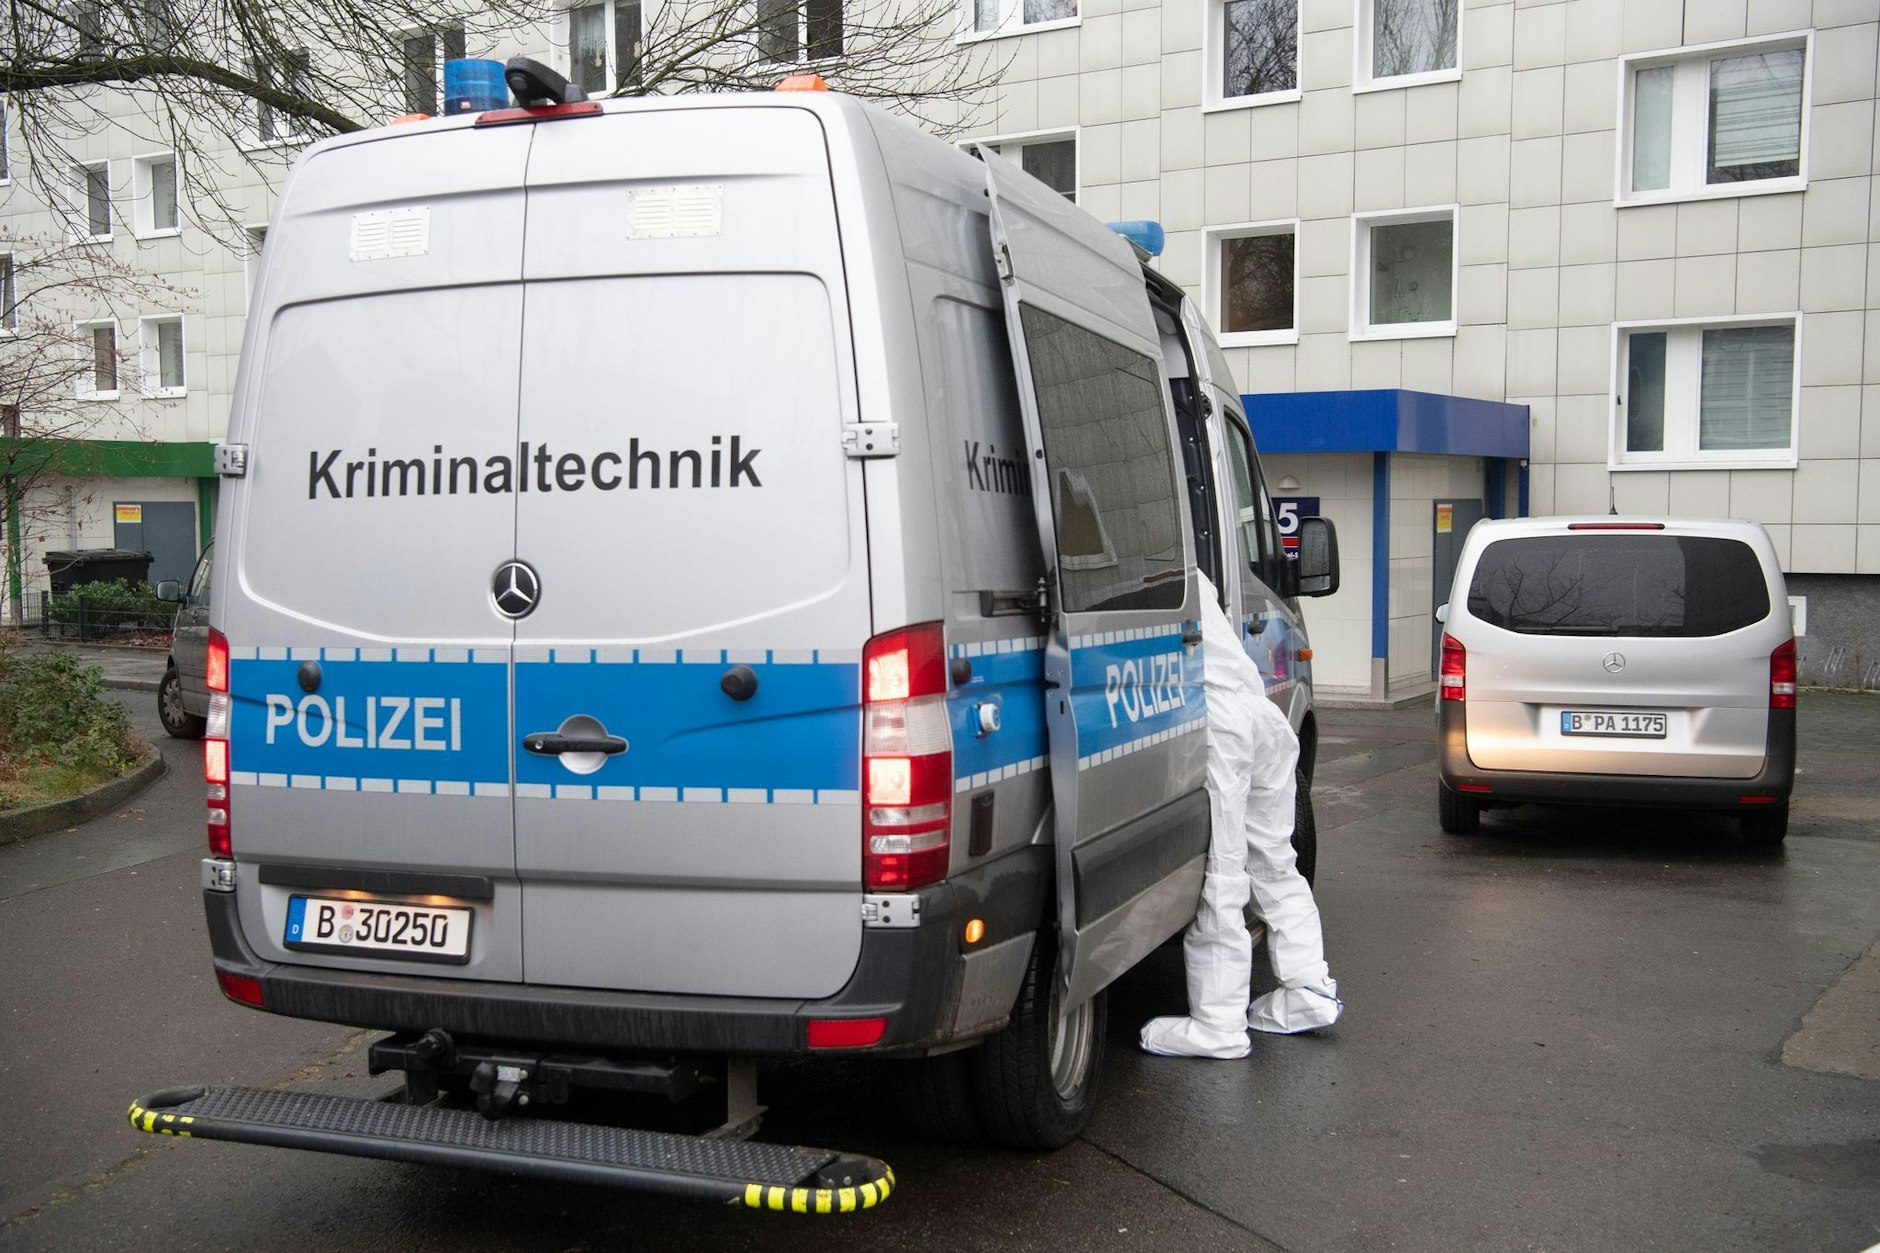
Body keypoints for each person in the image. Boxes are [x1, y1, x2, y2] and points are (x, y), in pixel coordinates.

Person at [1139, 572, 1342, 1059]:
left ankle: (1218, 1023)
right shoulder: (1194, 577)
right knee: (1275, 860)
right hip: (1261, 715)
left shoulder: (1149, 580)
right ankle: (1309, 987)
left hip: (1219, 720)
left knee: (1223, 870)